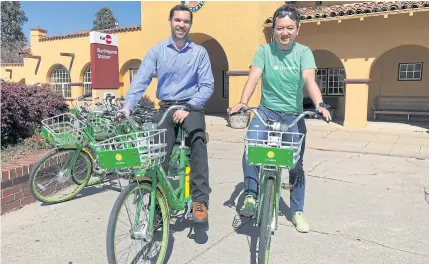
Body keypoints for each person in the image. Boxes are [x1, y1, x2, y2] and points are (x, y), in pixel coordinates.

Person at [229, 5, 331, 233]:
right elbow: (254, 77)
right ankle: (251, 196)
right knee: (251, 146)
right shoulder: (264, 51)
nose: (284, 33)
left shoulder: (303, 53)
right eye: (279, 28)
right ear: (273, 29)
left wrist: (320, 104)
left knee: (295, 164)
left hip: (293, 115)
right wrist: (244, 102)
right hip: (266, 111)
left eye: (289, 28)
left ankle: (297, 211)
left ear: (297, 29)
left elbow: (309, 80)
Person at [121, 4, 214, 223]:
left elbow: (207, 85)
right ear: (170, 22)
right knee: (158, 151)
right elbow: (141, 79)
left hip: (191, 106)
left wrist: (189, 106)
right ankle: (158, 202)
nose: (182, 24)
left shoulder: (199, 52)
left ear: (190, 24)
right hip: (166, 107)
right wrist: (127, 106)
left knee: (198, 141)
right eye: (178, 20)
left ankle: (200, 200)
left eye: (186, 21)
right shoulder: (157, 50)